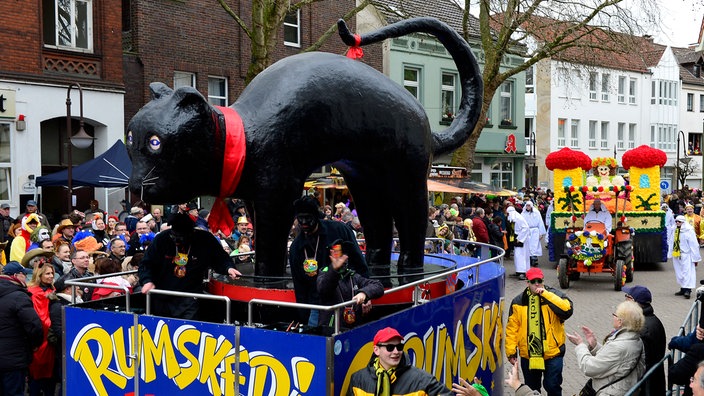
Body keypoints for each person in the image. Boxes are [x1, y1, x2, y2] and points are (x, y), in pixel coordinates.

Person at [138, 213, 242, 320]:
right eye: (174, 235)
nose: (178, 240)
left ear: (191, 231)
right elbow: (146, 264)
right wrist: (147, 281)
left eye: (181, 236)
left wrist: (229, 268)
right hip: (163, 295)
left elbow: (220, 257)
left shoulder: (204, 239)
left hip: (190, 297)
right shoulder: (161, 239)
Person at [289, 196, 369, 326]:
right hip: (318, 307)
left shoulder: (339, 230)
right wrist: (303, 319)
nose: (303, 222)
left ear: (316, 216)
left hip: (346, 300)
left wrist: (364, 294)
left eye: (308, 218)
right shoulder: (296, 247)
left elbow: (359, 262)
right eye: (300, 218)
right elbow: (300, 286)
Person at [505, 267, 573, 395]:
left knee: (552, 386)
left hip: (553, 353)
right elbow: (512, 329)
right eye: (533, 281)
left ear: (543, 281)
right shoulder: (518, 302)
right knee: (532, 389)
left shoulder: (554, 295)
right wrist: (511, 352)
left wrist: (546, 295)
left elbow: (567, 310)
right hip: (529, 355)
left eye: (539, 281)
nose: (536, 284)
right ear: (527, 283)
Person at [566, 300, 645, 395]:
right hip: (626, 388)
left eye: (615, 315)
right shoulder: (635, 339)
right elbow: (614, 360)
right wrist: (594, 345)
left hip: (610, 392)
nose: (613, 317)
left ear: (620, 322)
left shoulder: (618, 346)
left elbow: (589, 368)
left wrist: (580, 345)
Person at [347, 327, 452, 395]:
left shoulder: (421, 380)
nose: (396, 352)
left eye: (399, 346)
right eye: (390, 348)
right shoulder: (358, 379)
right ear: (376, 350)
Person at [317, 239, 384, 329]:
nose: (343, 259)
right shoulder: (323, 275)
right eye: (338, 255)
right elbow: (324, 289)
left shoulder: (353, 276)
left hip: (353, 329)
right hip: (332, 329)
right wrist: (334, 270)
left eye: (344, 255)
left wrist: (364, 293)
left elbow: (378, 286)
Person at [0, 261, 43, 396]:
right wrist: (35, 344)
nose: (27, 278)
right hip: (13, 360)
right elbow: (34, 325)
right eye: (25, 274)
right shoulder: (19, 296)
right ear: (16, 276)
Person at [622, 285, 666, 394]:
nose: (624, 302)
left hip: (646, 386)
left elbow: (639, 362)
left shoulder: (642, 328)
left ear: (633, 301)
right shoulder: (651, 319)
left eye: (626, 297)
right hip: (653, 382)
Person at [26, 261, 56, 396]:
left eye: (52, 274)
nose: (50, 276)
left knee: (50, 377)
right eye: (47, 273)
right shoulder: (33, 292)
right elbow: (40, 319)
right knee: (37, 375)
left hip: (50, 339)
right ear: (40, 275)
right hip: (39, 339)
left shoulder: (52, 290)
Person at [669, 215, 701, 299]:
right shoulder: (674, 229)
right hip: (677, 254)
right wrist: (670, 252)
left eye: (679, 221)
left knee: (687, 272)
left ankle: (688, 290)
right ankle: (683, 288)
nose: (677, 223)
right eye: (676, 221)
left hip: (686, 254)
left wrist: (695, 257)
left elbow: (694, 244)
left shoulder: (689, 230)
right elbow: (671, 241)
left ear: (683, 222)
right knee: (679, 272)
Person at [507, 206, 530, 279]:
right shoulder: (516, 218)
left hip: (520, 239)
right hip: (517, 237)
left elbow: (525, 228)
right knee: (517, 256)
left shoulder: (519, 218)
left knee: (521, 255)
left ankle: (522, 272)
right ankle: (518, 271)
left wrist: (519, 238)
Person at [521, 201, 546, 267]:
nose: (528, 207)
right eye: (527, 205)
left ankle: (534, 259)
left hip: (535, 231)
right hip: (527, 231)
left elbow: (540, 222)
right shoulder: (523, 213)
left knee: (534, 245)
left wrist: (541, 233)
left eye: (529, 205)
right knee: (528, 245)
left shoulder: (536, 213)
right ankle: (529, 258)